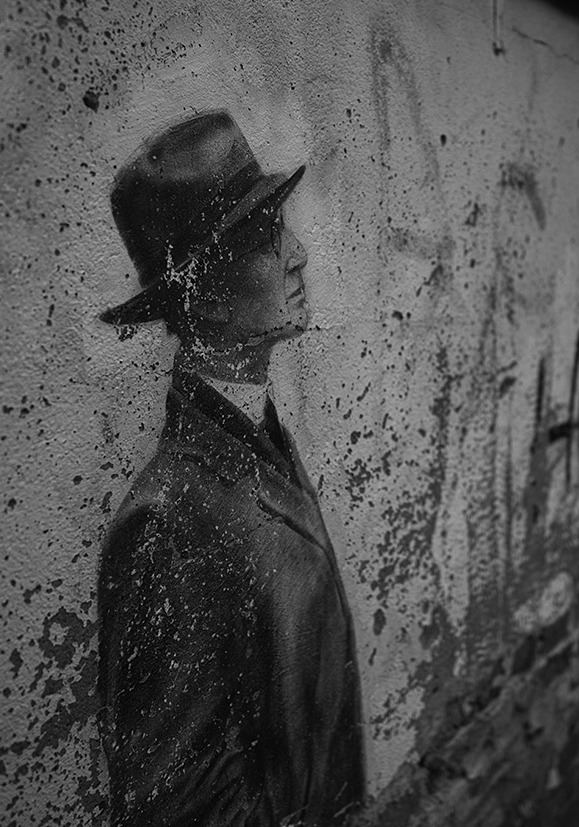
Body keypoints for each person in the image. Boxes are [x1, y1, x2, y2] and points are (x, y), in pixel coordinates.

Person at [96, 110, 364, 826]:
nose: (300, 253)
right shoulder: (167, 519)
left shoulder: (261, 438)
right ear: (194, 288)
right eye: (264, 235)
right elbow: (171, 806)